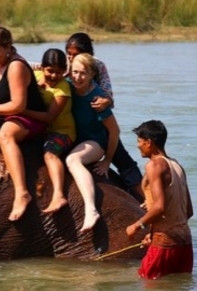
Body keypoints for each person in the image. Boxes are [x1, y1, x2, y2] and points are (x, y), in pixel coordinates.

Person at [0, 26, 47, 222]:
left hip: (28, 117)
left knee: (5, 135)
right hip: (2, 114)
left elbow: (18, 105)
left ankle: (22, 192)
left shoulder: (16, 66)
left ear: (8, 47)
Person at [65, 32, 144, 200]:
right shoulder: (66, 64)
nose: (72, 58)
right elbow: (40, 67)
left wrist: (105, 101)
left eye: (76, 54)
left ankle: (146, 197)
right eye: (69, 54)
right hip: (76, 120)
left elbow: (108, 92)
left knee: (121, 158)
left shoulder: (98, 65)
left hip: (98, 118)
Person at [126, 120, 193, 279]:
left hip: (164, 244)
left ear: (149, 142)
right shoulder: (176, 166)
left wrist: (136, 226)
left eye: (139, 141)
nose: (138, 146)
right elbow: (188, 211)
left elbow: (159, 208)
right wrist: (153, 233)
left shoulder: (154, 165)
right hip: (185, 244)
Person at [65, 53, 120, 233]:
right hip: (73, 138)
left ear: (91, 75)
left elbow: (114, 131)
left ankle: (91, 209)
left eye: (83, 73)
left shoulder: (97, 99)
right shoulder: (68, 87)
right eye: (75, 72)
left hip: (94, 143)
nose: (78, 77)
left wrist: (107, 161)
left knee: (73, 161)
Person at [22, 48, 75, 215]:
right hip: (40, 129)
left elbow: (49, 117)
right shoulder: (35, 76)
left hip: (62, 131)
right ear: (42, 67)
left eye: (59, 73)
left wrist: (21, 110)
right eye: (50, 71)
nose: (54, 76)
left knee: (49, 154)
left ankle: (59, 195)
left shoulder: (63, 88)